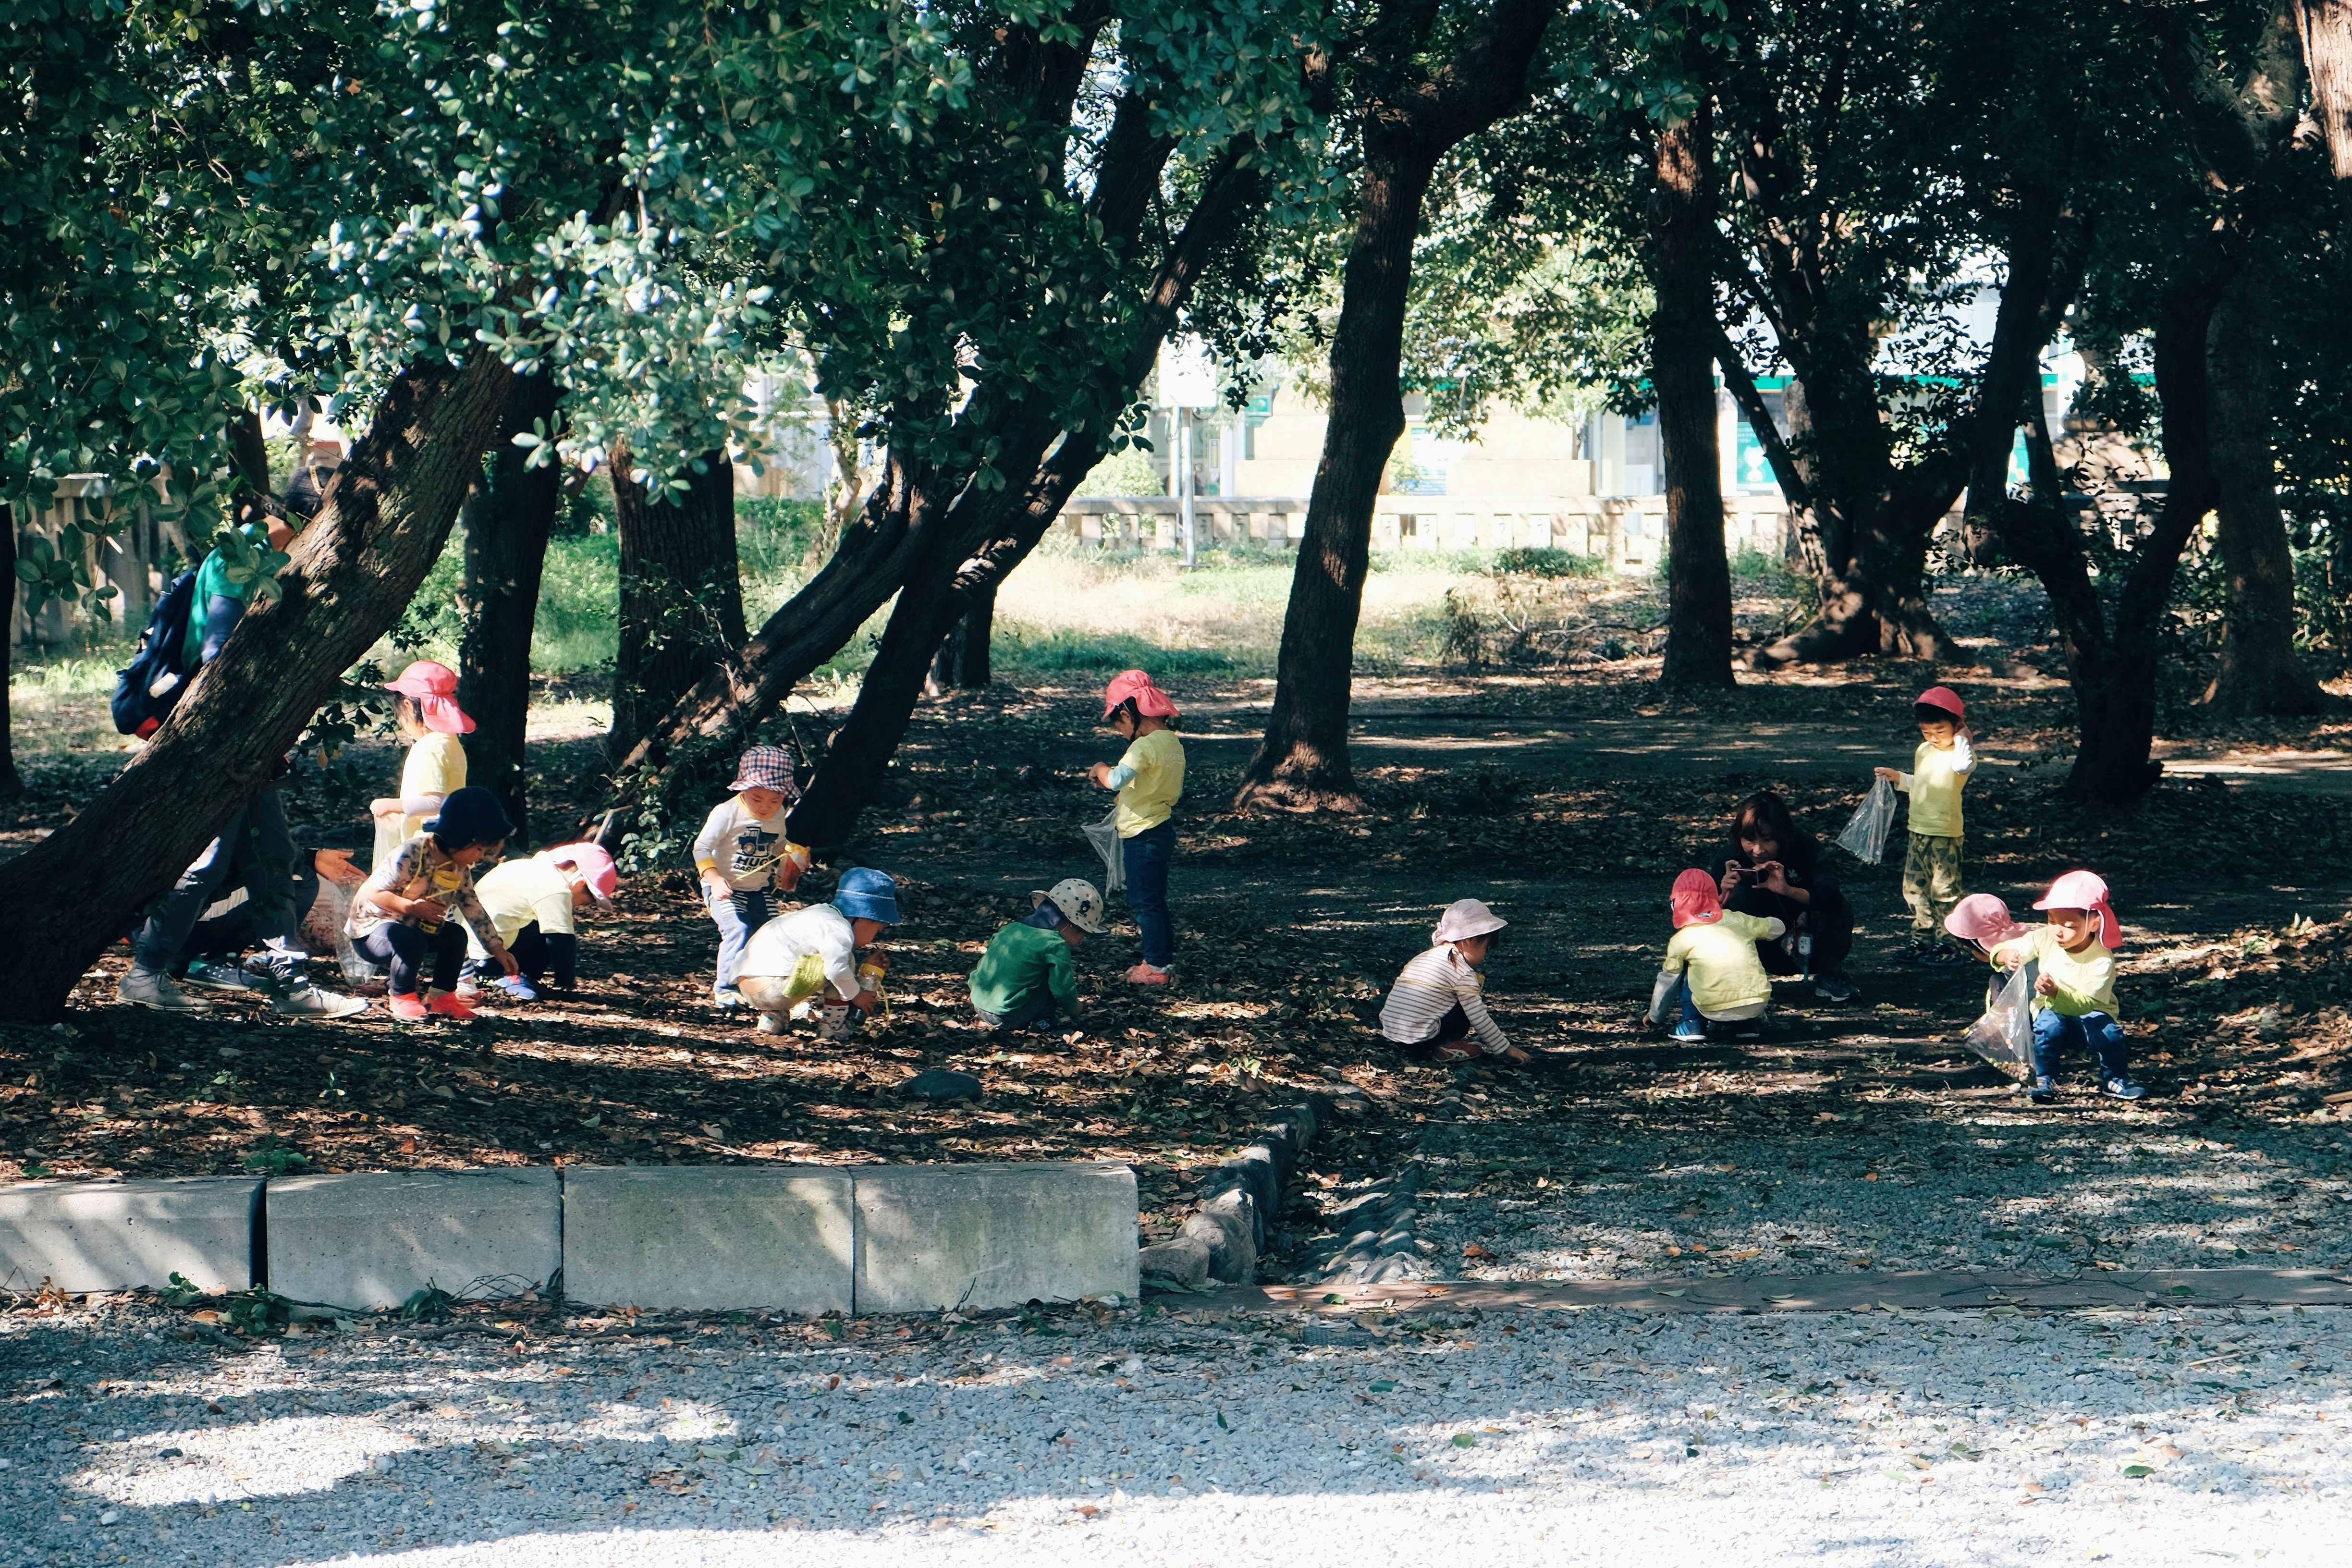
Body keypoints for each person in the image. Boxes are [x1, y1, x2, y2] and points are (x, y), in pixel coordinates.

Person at [114, 516, 366, 1019]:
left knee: (274, 853)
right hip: (218, 745)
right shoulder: (239, 556)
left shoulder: (260, 563)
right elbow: (217, 654)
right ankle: (147, 971)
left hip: (248, 750)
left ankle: (289, 981)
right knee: (208, 861)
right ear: (304, 521)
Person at [349, 786, 520, 1022]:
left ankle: (442, 997)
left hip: (412, 927)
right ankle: (402, 997)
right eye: (479, 849)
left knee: (455, 935)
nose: (479, 857)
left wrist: (497, 948)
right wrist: (411, 908)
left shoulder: (459, 869)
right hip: (372, 929)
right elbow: (373, 893)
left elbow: (473, 908)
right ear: (461, 838)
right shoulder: (412, 853)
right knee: (411, 939)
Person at [1989, 870, 2144, 1104]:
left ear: (2094, 924)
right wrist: (2006, 954)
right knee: (2047, 1026)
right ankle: (2043, 1079)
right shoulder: (2045, 938)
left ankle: (2116, 1079)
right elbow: (2011, 946)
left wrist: (2055, 992)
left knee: (2109, 1035)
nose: (2058, 931)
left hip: (2091, 1012)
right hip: (2050, 1008)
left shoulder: (2101, 960)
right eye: (2051, 921)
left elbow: (2086, 1003)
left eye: (2069, 925)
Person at [1713, 790, 1858, 1003]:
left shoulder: (1805, 846)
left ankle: (1830, 978)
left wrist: (1788, 890)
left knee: (1840, 908)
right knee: (1732, 906)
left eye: (1768, 840)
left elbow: (1832, 898)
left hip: (1810, 946)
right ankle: (1736, 983)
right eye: (1749, 839)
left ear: (1783, 835)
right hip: (1761, 949)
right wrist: (1722, 896)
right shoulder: (1731, 856)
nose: (1758, 850)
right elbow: (1696, 913)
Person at [1088, 670, 1184, 986]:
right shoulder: (1171, 743)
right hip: (1162, 829)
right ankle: (1161, 959)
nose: (1119, 730)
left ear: (1127, 714)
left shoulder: (1142, 747)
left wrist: (1101, 769)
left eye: (1118, 723)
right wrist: (1128, 796)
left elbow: (1116, 779)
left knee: (1145, 904)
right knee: (1156, 901)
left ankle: (1156, 969)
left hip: (1141, 836)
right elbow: (1153, 784)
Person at [1874, 684, 1977, 965]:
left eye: (1940, 731)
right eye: (1926, 732)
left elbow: (1962, 768)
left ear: (1956, 726)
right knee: (1915, 889)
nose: (1933, 738)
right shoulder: (1924, 751)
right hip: (1917, 829)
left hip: (1945, 833)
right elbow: (1921, 783)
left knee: (1945, 891)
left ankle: (1950, 944)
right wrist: (1897, 777)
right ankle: (1923, 940)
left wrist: (1964, 737)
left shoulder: (1959, 754)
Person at [695, 746, 805, 1009]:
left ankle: (755, 984)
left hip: (758, 887)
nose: (766, 807)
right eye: (757, 799)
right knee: (739, 929)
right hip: (724, 887)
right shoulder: (726, 814)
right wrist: (714, 878)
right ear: (743, 789)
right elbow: (701, 848)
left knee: (767, 933)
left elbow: (777, 845)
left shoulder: (778, 815)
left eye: (775, 800)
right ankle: (725, 989)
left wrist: (792, 855)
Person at [737, 868, 901, 1038]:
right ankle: (833, 1028)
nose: (875, 937)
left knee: (818, 961)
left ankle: (772, 1019)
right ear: (864, 918)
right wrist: (858, 995)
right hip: (774, 989)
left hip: (748, 984)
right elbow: (836, 970)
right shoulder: (839, 928)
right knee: (844, 963)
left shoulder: (819, 915)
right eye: (878, 929)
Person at [1378, 898, 1531, 1064]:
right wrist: (1506, 1048)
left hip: (1393, 1034)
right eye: (1485, 949)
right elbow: (1478, 1016)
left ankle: (1437, 1044)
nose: (1485, 956)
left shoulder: (1424, 957)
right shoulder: (1461, 971)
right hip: (1421, 1040)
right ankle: (1445, 1047)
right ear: (1469, 940)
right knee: (1467, 1006)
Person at [458, 842, 617, 1002]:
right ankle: (516, 978)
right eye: (584, 902)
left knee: (544, 920)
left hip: (467, 955)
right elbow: (562, 941)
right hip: (492, 960)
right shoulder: (556, 887)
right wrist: (566, 980)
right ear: (580, 882)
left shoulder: (523, 865)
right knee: (554, 928)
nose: (579, 906)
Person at [1647, 868, 1782, 1041]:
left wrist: (1655, 1017)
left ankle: (1692, 1025)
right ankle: (1747, 1025)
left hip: (1711, 1007)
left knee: (1686, 971)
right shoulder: (1739, 920)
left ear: (1675, 904)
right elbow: (1778, 927)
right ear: (1715, 898)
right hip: (1757, 1003)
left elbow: (1667, 982)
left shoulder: (1682, 939)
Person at [370, 661, 472, 872]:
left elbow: (436, 802)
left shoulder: (430, 748)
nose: (400, 723)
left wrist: (390, 805)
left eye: (399, 713)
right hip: (448, 848)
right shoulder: (450, 742)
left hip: (427, 854)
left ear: (408, 706)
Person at [968, 878, 1108, 1032]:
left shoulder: (1011, 929)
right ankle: (1044, 1023)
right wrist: (1076, 1009)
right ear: (1070, 925)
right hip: (1008, 1016)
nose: (1082, 940)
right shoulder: (1055, 944)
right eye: (1082, 932)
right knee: (1050, 979)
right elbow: (1063, 988)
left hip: (979, 1004)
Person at [1945, 893, 2034, 1011]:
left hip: (2036, 1010)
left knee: (1996, 982)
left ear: (1978, 946)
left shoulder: (2013, 963)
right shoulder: (2030, 941)